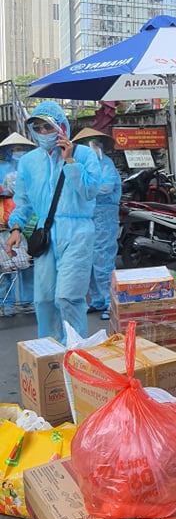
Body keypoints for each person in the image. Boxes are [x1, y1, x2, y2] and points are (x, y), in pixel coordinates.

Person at [6, 101, 101, 344]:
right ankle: (50, 353)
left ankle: (77, 352)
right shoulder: (28, 162)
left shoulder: (85, 155)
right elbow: (23, 202)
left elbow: (90, 191)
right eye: (38, 128)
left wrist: (70, 161)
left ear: (62, 127)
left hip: (78, 232)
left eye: (49, 127)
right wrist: (15, 228)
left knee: (68, 297)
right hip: (46, 234)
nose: (44, 133)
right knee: (45, 300)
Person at [73, 128, 122, 319]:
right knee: (90, 259)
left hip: (104, 215)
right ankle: (98, 300)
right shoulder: (81, 166)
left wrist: (86, 189)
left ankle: (112, 302)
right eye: (87, 145)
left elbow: (105, 187)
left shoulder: (106, 165)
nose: (92, 148)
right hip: (87, 215)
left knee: (103, 259)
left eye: (94, 144)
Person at [0, 132, 36, 317]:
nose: (18, 152)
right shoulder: (2, 168)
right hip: (4, 222)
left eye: (21, 149)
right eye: (14, 149)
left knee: (27, 263)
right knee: (5, 265)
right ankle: (5, 303)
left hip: (29, 221)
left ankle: (27, 301)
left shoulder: (32, 167)